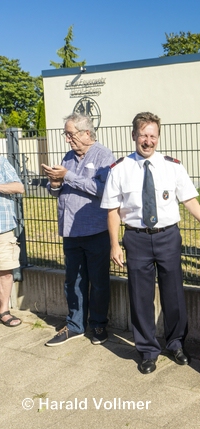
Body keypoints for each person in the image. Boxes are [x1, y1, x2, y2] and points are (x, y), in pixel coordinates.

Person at [101, 112, 200, 374]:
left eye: (153, 135)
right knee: (140, 296)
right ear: (134, 135)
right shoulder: (120, 169)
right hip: (136, 238)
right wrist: (114, 244)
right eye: (143, 135)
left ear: (158, 136)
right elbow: (112, 210)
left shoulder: (172, 166)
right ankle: (146, 350)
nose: (148, 141)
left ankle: (176, 343)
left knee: (174, 293)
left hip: (168, 236)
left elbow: (188, 198)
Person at [43, 113, 116, 346]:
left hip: (95, 230)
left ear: (86, 133)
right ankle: (74, 325)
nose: (67, 139)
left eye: (70, 134)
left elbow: (103, 189)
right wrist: (54, 184)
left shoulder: (103, 155)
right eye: (66, 134)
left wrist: (68, 176)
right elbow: (57, 190)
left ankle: (98, 325)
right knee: (72, 281)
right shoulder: (68, 157)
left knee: (98, 280)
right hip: (70, 230)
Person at [0, 157, 24, 328]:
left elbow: (18, 187)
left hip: (2, 228)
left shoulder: (1, 161)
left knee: (5, 272)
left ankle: (4, 311)